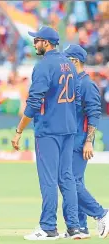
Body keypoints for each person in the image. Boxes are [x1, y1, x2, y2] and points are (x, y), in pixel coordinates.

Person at [11, 26, 84, 240]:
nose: (34, 43)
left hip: (49, 129)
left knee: (49, 180)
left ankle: (48, 227)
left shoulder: (44, 66)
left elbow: (34, 102)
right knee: (67, 178)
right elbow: (76, 98)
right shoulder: (70, 65)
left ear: (47, 43)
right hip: (69, 128)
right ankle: (74, 227)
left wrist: (19, 130)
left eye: (37, 40)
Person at [62, 44, 109, 239]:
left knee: (70, 182)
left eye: (65, 61)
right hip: (69, 140)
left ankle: (101, 213)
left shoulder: (87, 84)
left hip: (80, 140)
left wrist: (89, 141)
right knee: (73, 181)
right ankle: (79, 226)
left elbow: (94, 114)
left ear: (74, 61)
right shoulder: (72, 81)